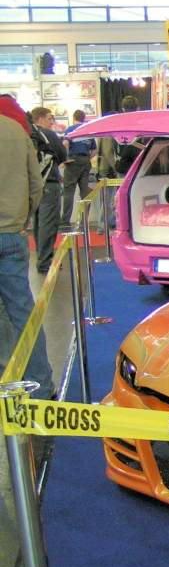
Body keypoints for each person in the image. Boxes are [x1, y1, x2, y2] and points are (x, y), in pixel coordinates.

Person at [0, 113, 54, 399]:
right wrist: (22, 219)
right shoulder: (14, 131)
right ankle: (41, 387)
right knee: (22, 312)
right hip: (12, 233)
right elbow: (36, 184)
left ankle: (5, 384)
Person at [30, 107, 67, 274]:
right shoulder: (48, 135)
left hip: (34, 185)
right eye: (49, 118)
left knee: (38, 222)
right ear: (40, 118)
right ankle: (45, 261)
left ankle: (41, 257)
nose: (52, 122)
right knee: (48, 223)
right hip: (49, 182)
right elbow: (62, 155)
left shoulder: (29, 134)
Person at [62, 109, 97, 228]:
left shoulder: (71, 129)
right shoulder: (87, 130)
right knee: (84, 192)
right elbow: (94, 150)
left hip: (73, 161)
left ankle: (65, 221)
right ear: (83, 118)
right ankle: (84, 221)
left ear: (74, 118)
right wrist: (87, 158)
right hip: (85, 161)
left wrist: (66, 158)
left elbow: (65, 143)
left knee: (69, 192)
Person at [115, 96, 142, 175]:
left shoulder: (117, 125)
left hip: (123, 164)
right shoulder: (143, 124)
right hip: (140, 163)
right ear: (138, 108)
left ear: (123, 109)